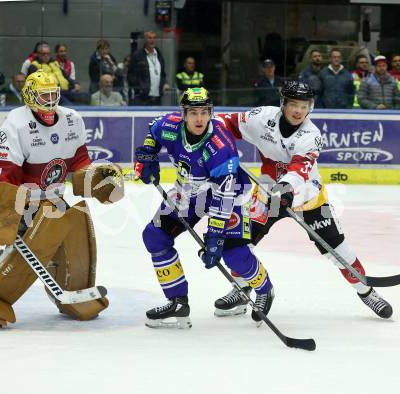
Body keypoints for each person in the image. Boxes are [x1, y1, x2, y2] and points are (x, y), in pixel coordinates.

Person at [214, 80, 392, 319]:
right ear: (283, 104)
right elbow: (225, 122)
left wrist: (286, 188)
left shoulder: (312, 135)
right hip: (268, 195)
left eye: (304, 105)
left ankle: (366, 291)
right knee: (240, 242)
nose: (299, 111)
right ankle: (242, 289)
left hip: (309, 196)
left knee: (338, 249)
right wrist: (214, 137)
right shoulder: (262, 118)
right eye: (293, 105)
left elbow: (300, 168)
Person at [0, 70, 124, 328]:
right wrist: (0, 204)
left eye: (54, 94)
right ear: (30, 97)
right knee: (28, 249)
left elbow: (80, 161)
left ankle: (73, 295)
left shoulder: (72, 120)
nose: (50, 101)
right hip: (26, 200)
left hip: (55, 197)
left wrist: (96, 178)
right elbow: (2, 168)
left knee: (77, 229)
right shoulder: (16, 123)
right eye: (44, 95)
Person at [133, 87, 275, 328]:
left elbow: (224, 194)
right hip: (187, 192)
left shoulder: (220, 146)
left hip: (227, 196)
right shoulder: (169, 126)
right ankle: (177, 301)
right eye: (193, 113)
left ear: (211, 113)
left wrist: (216, 235)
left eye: (204, 112)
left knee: (233, 253)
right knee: (155, 237)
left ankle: (264, 289)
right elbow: (152, 132)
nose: (199, 118)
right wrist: (147, 155)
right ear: (183, 114)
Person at [128, 31, 169, 105]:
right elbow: (131, 75)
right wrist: (140, 87)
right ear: (145, 40)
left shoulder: (159, 55)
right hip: (142, 97)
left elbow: (162, 74)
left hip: (157, 96)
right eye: (150, 38)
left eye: (154, 38)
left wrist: (165, 83)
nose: (152, 40)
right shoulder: (137, 55)